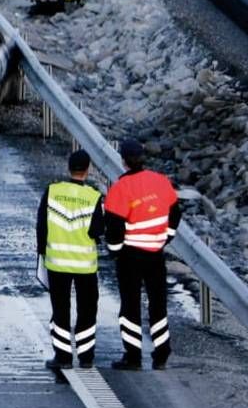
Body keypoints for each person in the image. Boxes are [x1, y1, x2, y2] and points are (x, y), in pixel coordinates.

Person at [104, 139, 183, 370]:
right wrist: (164, 237)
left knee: (130, 305)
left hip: (130, 256)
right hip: (155, 254)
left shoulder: (121, 188)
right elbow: (175, 214)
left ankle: (133, 356)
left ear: (124, 161)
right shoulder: (160, 181)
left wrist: (115, 252)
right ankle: (162, 353)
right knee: (158, 303)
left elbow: (114, 227)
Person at [38, 149, 104, 370]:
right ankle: (86, 357)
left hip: (56, 263)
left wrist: (42, 253)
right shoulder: (93, 196)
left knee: (60, 309)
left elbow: (41, 227)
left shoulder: (52, 192)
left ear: (69, 168)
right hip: (85, 266)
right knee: (87, 310)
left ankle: (63, 357)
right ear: (87, 170)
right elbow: (97, 231)